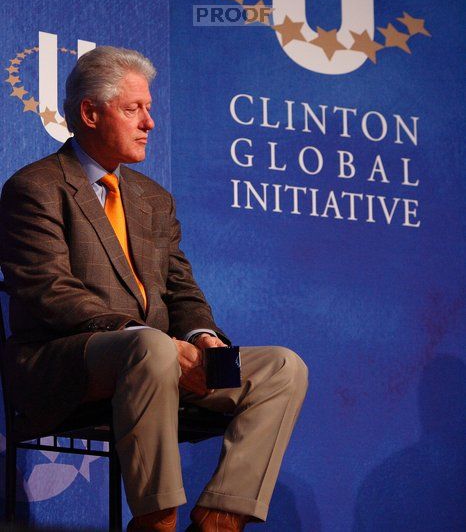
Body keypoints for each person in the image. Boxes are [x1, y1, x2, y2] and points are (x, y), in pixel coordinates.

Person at [0, 47, 308, 531]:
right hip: (65, 364)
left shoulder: (153, 200)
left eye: (149, 108)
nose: (149, 123)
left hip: (160, 360)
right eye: (133, 109)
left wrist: (203, 337)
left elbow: (182, 290)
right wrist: (155, 340)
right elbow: (48, 291)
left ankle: (220, 519)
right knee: (150, 348)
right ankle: (156, 519)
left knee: (281, 368)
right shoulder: (35, 188)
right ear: (89, 113)